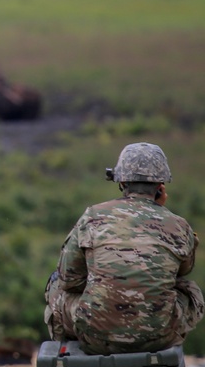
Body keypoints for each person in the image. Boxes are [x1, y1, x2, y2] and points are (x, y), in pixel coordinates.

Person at [45, 142, 204, 354]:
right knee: (190, 290)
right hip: (159, 337)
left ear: (121, 181)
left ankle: (67, 359)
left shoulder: (92, 216)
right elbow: (182, 270)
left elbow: (68, 279)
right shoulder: (179, 225)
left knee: (55, 287)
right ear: (160, 185)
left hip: (95, 337)